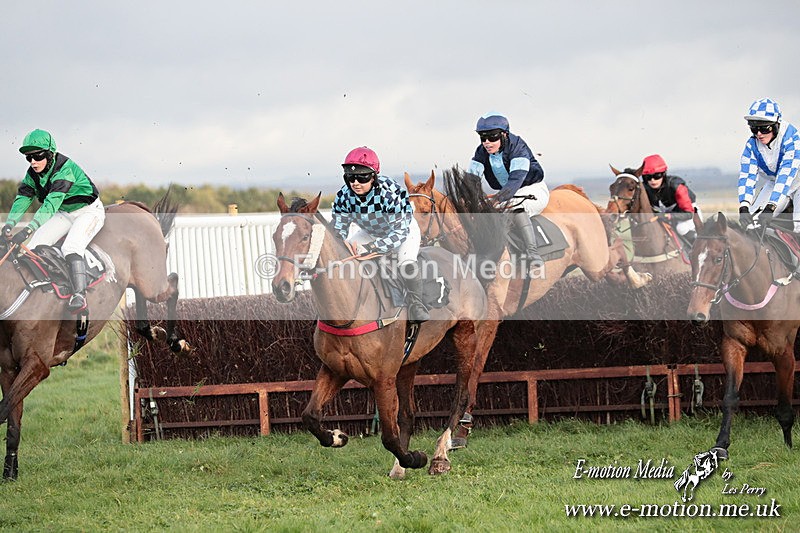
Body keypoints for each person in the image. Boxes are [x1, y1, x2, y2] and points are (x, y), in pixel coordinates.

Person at [2, 129, 104, 313]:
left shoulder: (65, 169)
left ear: (50, 154)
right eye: (29, 157)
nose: (33, 162)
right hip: (64, 212)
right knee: (33, 248)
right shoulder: (32, 173)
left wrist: (28, 229)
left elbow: (50, 204)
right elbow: (23, 198)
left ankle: (79, 295)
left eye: (38, 156)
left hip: (88, 211)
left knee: (71, 248)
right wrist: (9, 224)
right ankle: (43, 293)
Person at [332, 146, 429, 322]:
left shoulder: (388, 193)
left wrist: (373, 247)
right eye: (350, 177)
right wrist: (341, 244)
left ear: (373, 177)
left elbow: (399, 232)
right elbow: (339, 228)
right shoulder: (343, 196)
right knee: (345, 255)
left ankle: (417, 304)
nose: (355, 183)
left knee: (406, 261)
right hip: (370, 231)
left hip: (403, 230)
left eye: (361, 177)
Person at [468, 112, 548, 265]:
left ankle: (533, 252)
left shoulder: (518, 147)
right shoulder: (481, 152)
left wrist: (497, 199)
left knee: (514, 208)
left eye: (492, 137)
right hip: (508, 193)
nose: (487, 142)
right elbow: (471, 179)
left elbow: (515, 180)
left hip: (532, 189)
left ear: (504, 134)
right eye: (483, 138)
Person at [738, 97, 800, 235]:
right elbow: (747, 176)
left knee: (799, 228)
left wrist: (771, 207)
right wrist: (744, 206)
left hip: (796, 181)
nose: (759, 134)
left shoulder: (791, 139)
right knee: (751, 225)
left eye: (764, 129)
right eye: (754, 129)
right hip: (774, 182)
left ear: (776, 124)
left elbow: (785, 177)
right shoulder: (751, 145)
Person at [640, 154, 699, 244]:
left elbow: (688, 214)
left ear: (664, 174)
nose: (652, 180)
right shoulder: (644, 189)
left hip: (688, 212)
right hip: (666, 212)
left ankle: (698, 250)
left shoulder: (676, 186)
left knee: (681, 228)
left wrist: (668, 216)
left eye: (657, 176)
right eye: (648, 177)